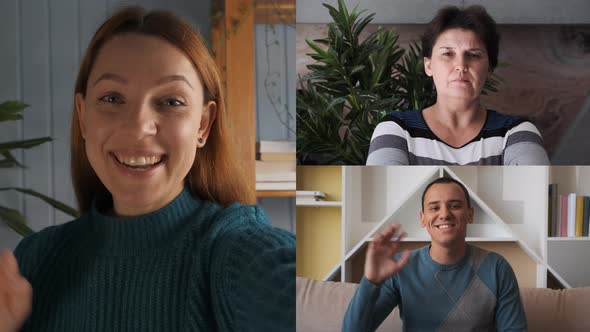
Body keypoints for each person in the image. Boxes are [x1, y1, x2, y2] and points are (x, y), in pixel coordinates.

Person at [0, 7, 294, 332]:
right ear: (83, 117)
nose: (138, 127)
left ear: (203, 125)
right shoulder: (35, 261)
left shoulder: (233, 249)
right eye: (112, 98)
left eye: (171, 102)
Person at [366, 5, 549, 165]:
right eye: (447, 54)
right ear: (428, 65)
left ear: (490, 68)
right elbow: (384, 202)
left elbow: (534, 200)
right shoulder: (396, 130)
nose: (461, 66)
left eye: (473, 55)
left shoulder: (516, 132)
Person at [342, 177, 527, 331]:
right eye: (434, 208)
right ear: (423, 218)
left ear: (470, 215)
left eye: (454, 206)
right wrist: (371, 281)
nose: (444, 214)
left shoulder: (497, 267)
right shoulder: (399, 267)